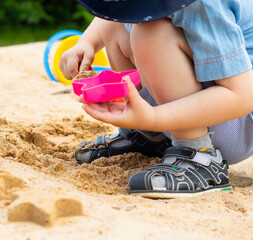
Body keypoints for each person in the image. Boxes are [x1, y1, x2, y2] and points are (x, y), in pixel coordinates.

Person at [59, 0, 253, 198]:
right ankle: (152, 137)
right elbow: (111, 15)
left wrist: (154, 117)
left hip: (234, 120)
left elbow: (241, 96)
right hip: (199, 106)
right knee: (114, 23)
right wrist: (87, 43)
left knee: (151, 33)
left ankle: (198, 153)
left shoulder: (203, 5)